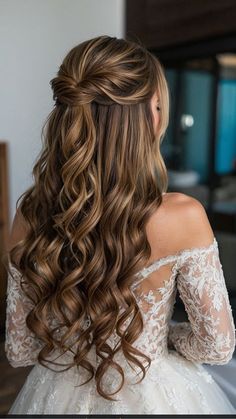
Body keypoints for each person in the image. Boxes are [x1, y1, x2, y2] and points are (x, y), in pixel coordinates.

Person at [4, 35, 236, 415]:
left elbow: (20, 349)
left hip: (56, 393)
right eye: (159, 104)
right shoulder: (183, 216)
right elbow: (216, 346)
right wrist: (160, 340)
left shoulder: (30, 213)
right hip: (152, 390)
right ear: (150, 114)